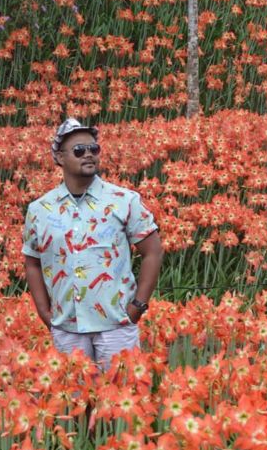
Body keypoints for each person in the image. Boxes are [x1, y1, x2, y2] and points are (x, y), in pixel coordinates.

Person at [22, 118, 164, 371]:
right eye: (79, 150)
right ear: (59, 158)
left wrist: (137, 307)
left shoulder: (124, 200)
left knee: (118, 402)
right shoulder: (39, 209)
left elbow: (152, 252)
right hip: (67, 328)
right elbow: (32, 261)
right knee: (73, 404)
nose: (88, 154)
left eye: (93, 149)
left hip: (116, 326)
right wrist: (46, 314)